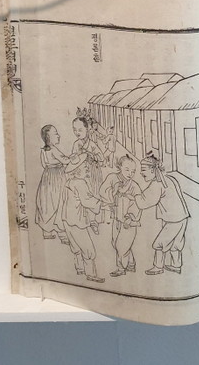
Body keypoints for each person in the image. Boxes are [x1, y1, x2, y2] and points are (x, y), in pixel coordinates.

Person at [134, 152, 190, 275]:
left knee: (159, 244)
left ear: (152, 170)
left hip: (173, 220)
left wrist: (135, 194)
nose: (141, 173)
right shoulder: (169, 178)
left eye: (143, 169)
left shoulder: (157, 184)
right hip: (183, 217)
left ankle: (158, 267)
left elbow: (144, 202)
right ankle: (176, 265)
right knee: (176, 244)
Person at [62, 152, 104, 282]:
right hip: (77, 221)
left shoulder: (69, 182)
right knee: (88, 249)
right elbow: (87, 201)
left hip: (67, 219)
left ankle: (79, 268)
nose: (87, 168)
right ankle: (91, 274)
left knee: (75, 247)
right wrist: (101, 203)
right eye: (84, 166)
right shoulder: (80, 183)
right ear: (77, 170)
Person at [100, 156, 141, 277]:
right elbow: (103, 191)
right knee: (115, 242)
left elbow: (138, 204)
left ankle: (121, 268)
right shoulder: (112, 178)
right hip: (117, 218)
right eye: (127, 170)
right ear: (119, 167)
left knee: (122, 245)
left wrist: (131, 217)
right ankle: (131, 263)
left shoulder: (134, 186)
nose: (130, 174)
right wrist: (113, 192)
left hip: (128, 221)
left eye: (133, 171)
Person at [71, 111, 105, 234]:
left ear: (87, 129)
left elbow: (101, 158)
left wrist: (91, 155)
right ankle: (85, 221)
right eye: (75, 130)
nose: (77, 132)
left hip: (93, 174)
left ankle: (94, 221)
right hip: (82, 174)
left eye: (80, 130)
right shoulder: (76, 144)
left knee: (94, 194)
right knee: (83, 196)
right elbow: (73, 159)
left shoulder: (92, 144)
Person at [35, 124, 68, 241]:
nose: (58, 136)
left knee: (47, 204)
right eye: (55, 134)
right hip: (57, 178)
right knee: (59, 203)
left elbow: (44, 165)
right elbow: (66, 160)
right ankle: (62, 234)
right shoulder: (54, 150)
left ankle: (47, 232)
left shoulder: (43, 151)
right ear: (48, 138)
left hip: (47, 178)